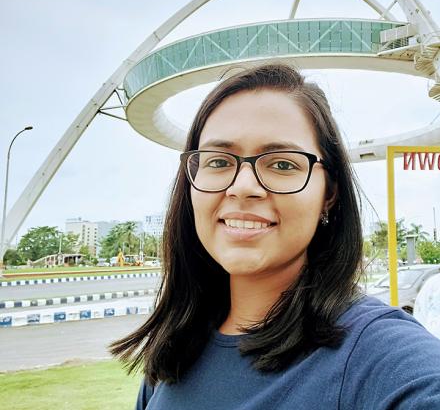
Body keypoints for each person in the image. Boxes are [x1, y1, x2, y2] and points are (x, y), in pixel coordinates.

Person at [110, 63, 440, 409]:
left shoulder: (376, 356)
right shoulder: (174, 356)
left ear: (329, 193)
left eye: (282, 164)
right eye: (219, 161)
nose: (243, 187)